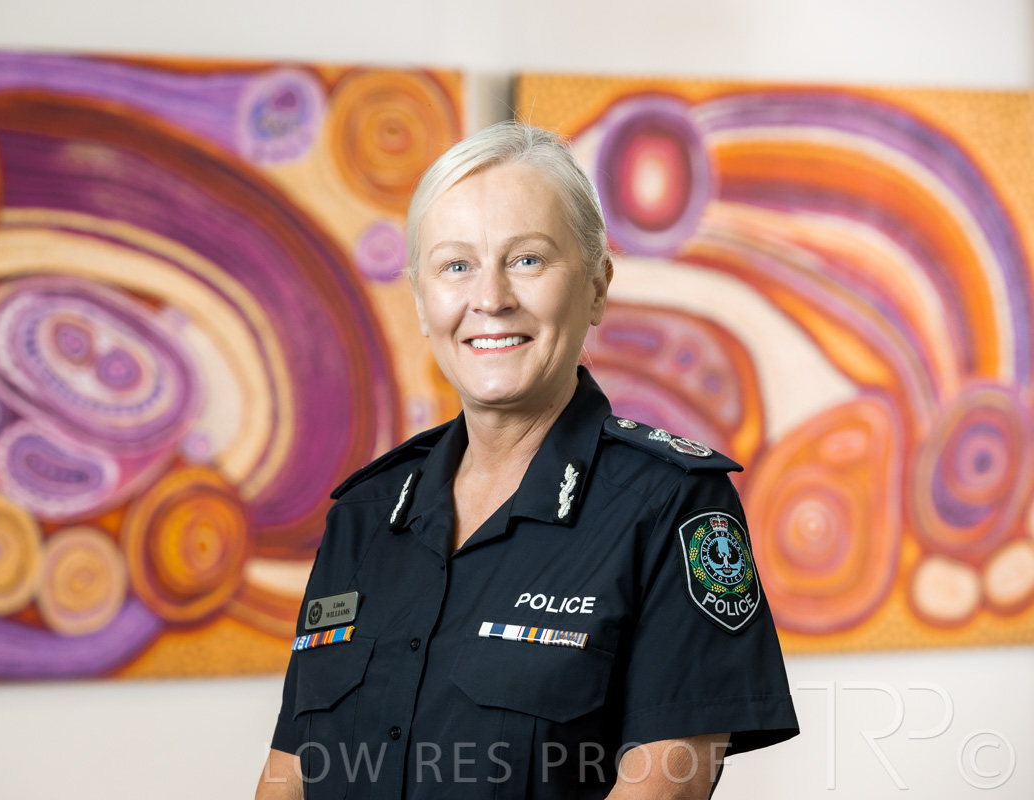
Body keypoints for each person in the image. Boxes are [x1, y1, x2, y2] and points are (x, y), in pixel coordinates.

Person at [255, 121, 799, 799]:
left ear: (596, 287)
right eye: (456, 266)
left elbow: (669, 783)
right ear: (422, 301)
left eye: (527, 260)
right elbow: (289, 774)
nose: (491, 299)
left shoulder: (670, 505)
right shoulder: (363, 516)